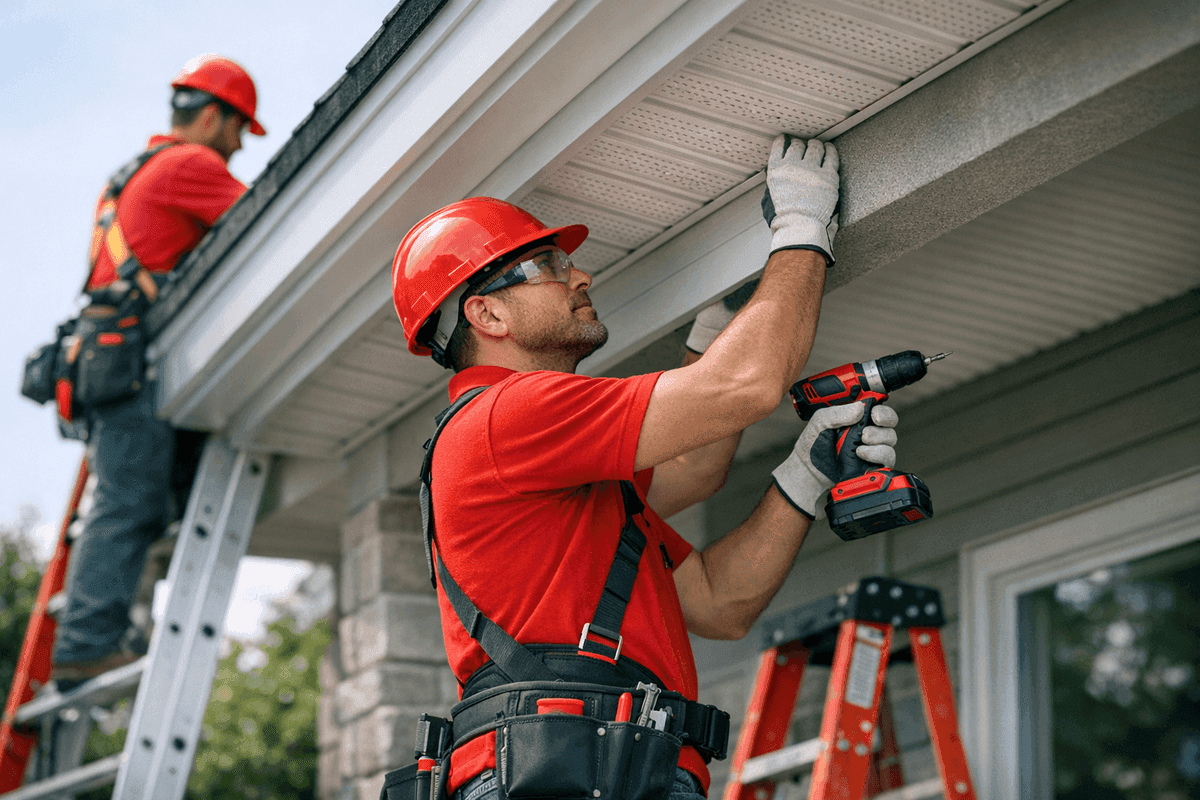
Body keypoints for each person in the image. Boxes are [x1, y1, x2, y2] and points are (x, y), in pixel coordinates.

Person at [390, 135, 899, 800]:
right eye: (547, 265)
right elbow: (742, 388)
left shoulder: (575, 486)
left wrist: (807, 471)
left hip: (598, 765)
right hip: (570, 766)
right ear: (487, 313)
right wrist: (804, 229)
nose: (580, 277)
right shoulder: (507, 414)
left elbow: (720, 598)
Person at [51, 55, 266, 682]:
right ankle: (88, 644)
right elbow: (260, 220)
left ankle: (106, 628)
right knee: (130, 503)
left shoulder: (133, 172)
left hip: (102, 355)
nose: (234, 150)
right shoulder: (191, 166)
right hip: (128, 357)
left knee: (139, 498)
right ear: (209, 115)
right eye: (235, 132)